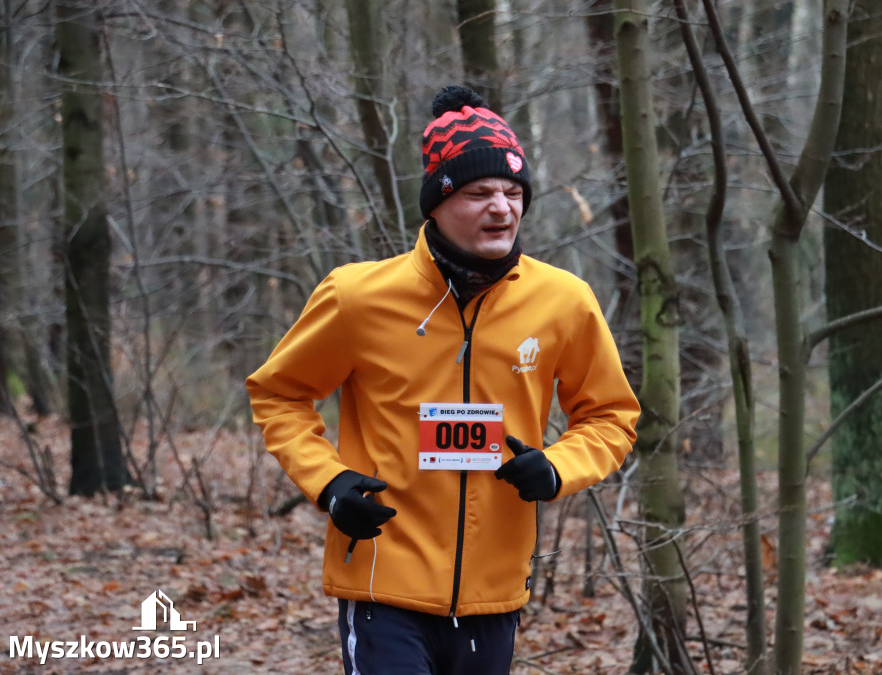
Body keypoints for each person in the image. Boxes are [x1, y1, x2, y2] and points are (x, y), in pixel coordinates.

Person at [246, 85, 639, 675]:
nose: (502, 208)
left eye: (513, 193)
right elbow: (279, 393)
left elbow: (612, 416)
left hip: (494, 590)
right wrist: (329, 484)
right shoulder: (359, 297)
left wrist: (559, 466)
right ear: (437, 201)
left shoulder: (563, 301)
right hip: (383, 581)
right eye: (480, 193)